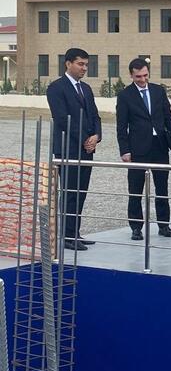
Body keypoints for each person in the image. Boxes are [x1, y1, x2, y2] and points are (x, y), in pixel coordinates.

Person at [116, 58, 171, 240]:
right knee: (135, 190)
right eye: (138, 76)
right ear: (131, 75)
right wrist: (124, 150)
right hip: (137, 149)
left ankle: (164, 225)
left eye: (145, 75)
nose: (143, 79)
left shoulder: (158, 91)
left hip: (160, 146)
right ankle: (136, 227)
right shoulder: (125, 96)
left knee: (162, 189)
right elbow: (121, 126)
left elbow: (168, 116)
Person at [46, 48, 102, 251]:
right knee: (70, 193)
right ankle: (67, 236)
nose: (84, 68)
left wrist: (96, 136)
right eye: (80, 64)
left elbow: (95, 116)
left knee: (81, 193)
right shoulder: (56, 88)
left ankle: (75, 232)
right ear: (68, 64)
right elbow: (62, 119)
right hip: (68, 149)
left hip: (87, 150)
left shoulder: (85, 88)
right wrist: (85, 139)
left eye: (86, 64)